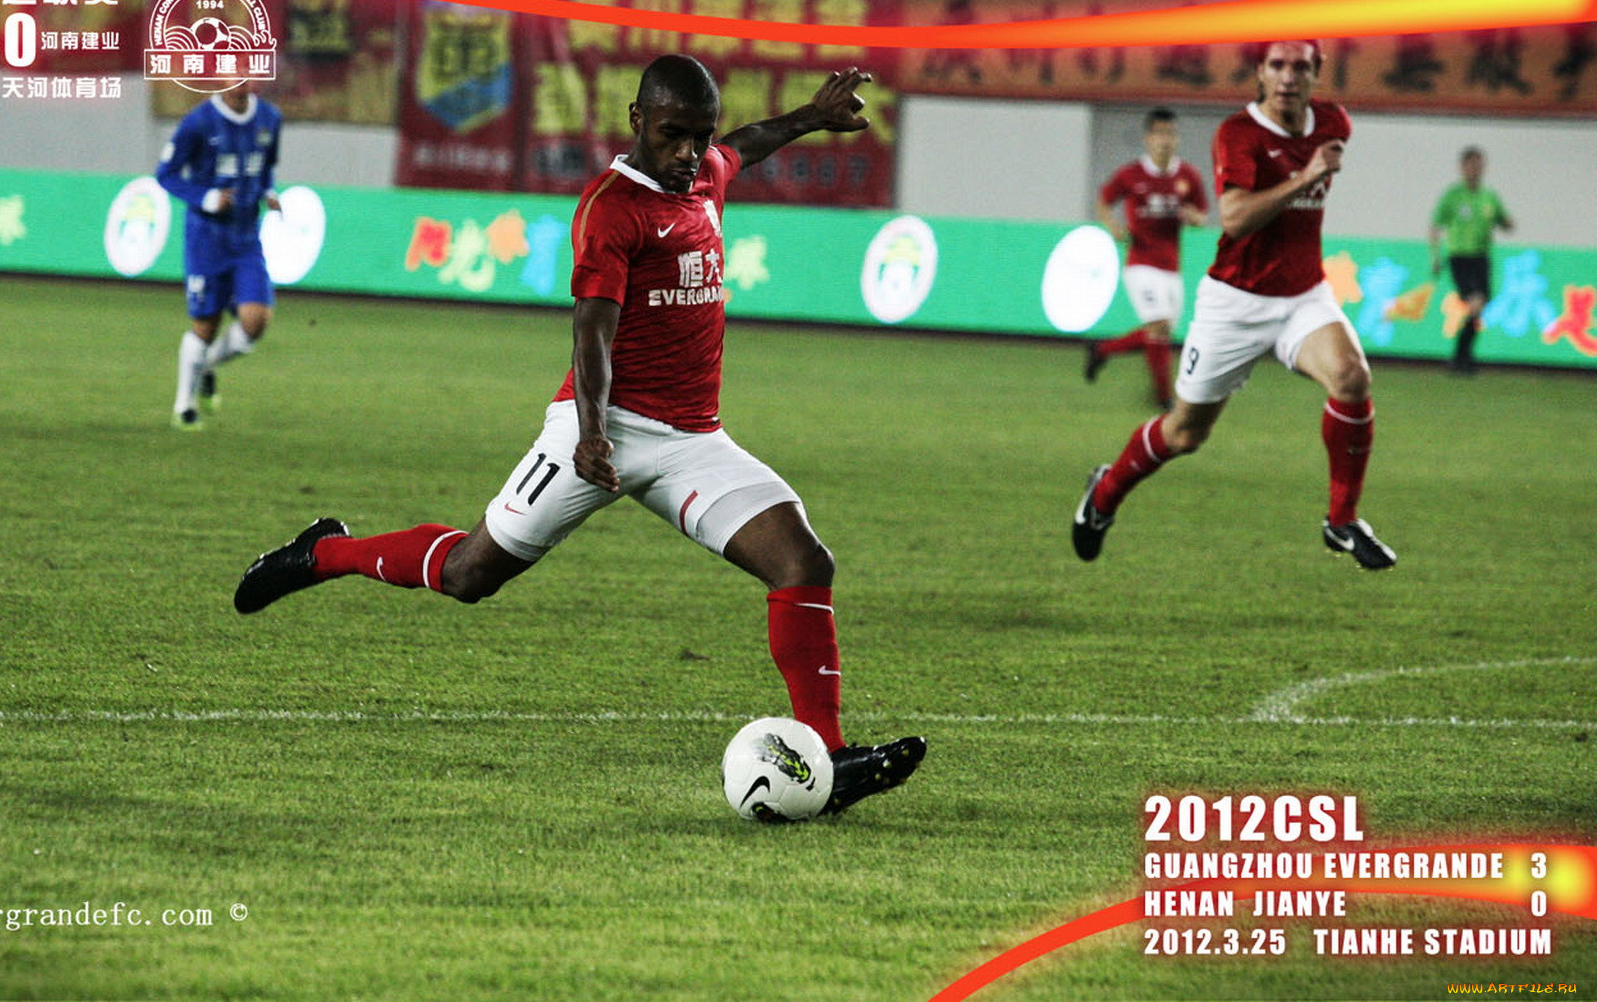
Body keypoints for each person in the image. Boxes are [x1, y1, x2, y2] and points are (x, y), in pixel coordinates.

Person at [234, 56, 926, 816]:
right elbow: (592, 333)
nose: (689, 153)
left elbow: (745, 145)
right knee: (470, 574)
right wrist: (593, 432)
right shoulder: (611, 208)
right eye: (672, 135)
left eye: (699, 136)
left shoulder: (704, 177)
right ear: (636, 119)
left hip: (692, 440)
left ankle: (827, 760)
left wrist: (809, 116)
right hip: (600, 429)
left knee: (802, 560)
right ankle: (323, 552)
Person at [1072, 40, 1395, 571]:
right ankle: (1104, 493)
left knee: (1352, 378)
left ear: (1317, 76)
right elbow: (1237, 217)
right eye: (1277, 66)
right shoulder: (1238, 134)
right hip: (1235, 303)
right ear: (1260, 75)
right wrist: (1307, 177)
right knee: (1184, 433)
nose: (1288, 77)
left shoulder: (1334, 122)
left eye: (1300, 67)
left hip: (1302, 297)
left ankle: (1342, 521)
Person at [155, 80, 281, 429]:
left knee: (255, 322)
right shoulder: (198, 122)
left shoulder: (270, 118)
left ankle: (206, 365)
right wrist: (206, 198)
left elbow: (265, 166)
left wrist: (268, 191)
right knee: (205, 326)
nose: (241, 80)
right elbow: (165, 175)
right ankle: (185, 406)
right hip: (206, 240)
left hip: (246, 239)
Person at [1084, 107, 1209, 408]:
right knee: (1159, 326)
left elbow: (1202, 215)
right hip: (1140, 263)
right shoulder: (1131, 175)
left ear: (1176, 139)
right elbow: (1103, 201)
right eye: (1159, 134)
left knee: (1160, 334)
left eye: (1170, 134)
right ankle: (1164, 397)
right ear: (1148, 138)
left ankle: (1103, 350)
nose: (1165, 140)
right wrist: (1112, 225)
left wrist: (1191, 216)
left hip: (1171, 267)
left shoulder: (1187, 176)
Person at [1429, 146, 1513, 374]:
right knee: (1476, 301)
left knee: (1481, 305)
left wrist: (1508, 224)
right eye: (1471, 165)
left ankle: (1462, 358)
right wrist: (1435, 256)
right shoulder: (1453, 196)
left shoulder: (1489, 197)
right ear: (1462, 167)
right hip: (1460, 257)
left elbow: (1503, 220)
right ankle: (1461, 357)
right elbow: (1436, 226)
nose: (1475, 169)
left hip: (1482, 258)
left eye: (1479, 165)